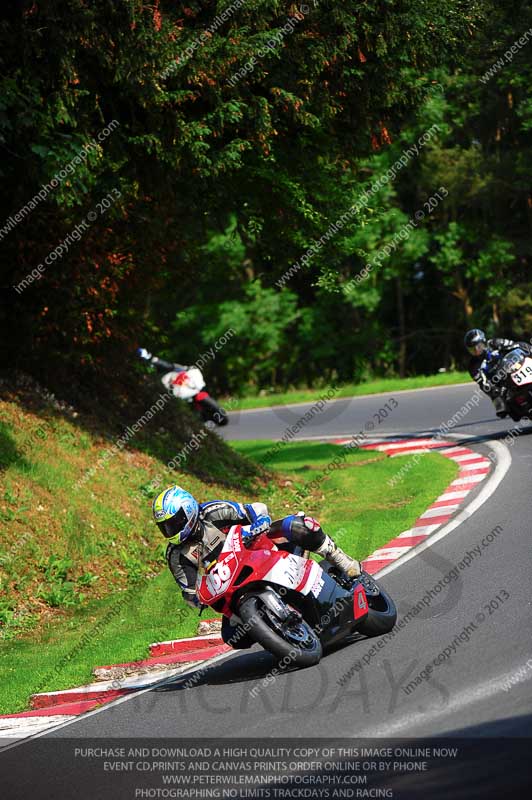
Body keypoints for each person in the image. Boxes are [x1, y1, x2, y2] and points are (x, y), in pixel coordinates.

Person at [152, 485, 362, 648]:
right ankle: (279, 632)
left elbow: (254, 509)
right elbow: (187, 588)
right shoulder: (176, 554)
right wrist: (195, 598)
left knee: (298, 526)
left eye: (174, 522)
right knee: (233, 637)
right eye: (165, 526)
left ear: (187, 511)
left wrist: (259, 521)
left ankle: (341, 559)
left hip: (261, 550)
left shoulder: (212, 512)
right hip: (231, 585)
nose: (170, 529)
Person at [464, 329, 532, 418]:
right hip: (498, 383)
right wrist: (492, 388)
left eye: (478, 346)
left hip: (514, 368)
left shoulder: (495, 343)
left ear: (483, 341)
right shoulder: (473, 366)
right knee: (501, 406)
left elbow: (516, 345)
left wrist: (527, 349)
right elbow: (481, 382)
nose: (477, 350)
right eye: (472, 349)